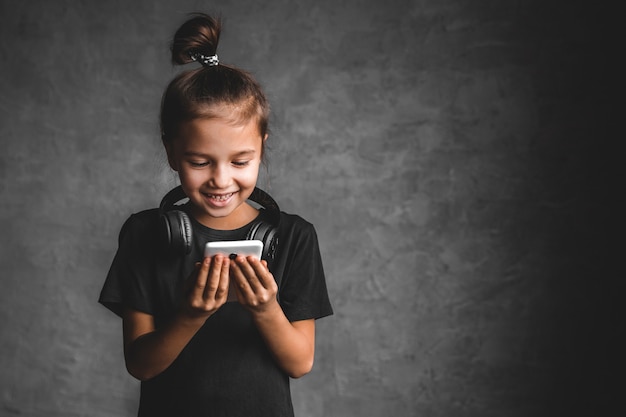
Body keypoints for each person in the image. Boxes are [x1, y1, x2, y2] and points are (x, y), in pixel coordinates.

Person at [99, 13, 333, 417]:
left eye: (241, 161)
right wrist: (190, 315)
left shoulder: (294, 237)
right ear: (172, 152)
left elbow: (300, 363)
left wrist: (265, 309)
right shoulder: (143, 234)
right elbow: (140, 365)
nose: (221, 180)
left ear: (262, 148)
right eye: (200, 161)